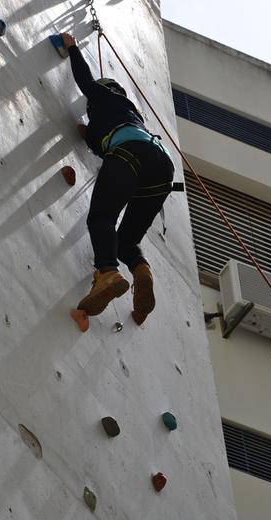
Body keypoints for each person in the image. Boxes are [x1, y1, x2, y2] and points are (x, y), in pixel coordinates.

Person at [61, 32, 175, 324]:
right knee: (126, 241)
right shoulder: (128, 115)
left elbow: (86, 83)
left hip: (129, 154)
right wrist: (88, 136)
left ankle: (108, 272)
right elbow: (97, 143)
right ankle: (141, 271)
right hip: (161, 167)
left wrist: (72, 47)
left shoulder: (108, 99)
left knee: (101, 219)